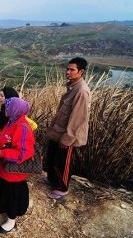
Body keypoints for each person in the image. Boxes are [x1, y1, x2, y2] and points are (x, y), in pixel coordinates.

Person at [0, 97, 35, 234]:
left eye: (8, 107)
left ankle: (11, 221)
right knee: (1, 187)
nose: (5, 109)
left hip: (13, 174)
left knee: (12, 196)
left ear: (14, 110)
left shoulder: (22, 128)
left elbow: (24, 153)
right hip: (5, 169)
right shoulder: (12, 121)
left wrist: (3, 153)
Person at [43, 57, 91, 199]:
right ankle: (52, 180)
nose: (68, 72)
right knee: (52, 158)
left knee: (63, 162)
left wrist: (68, 138)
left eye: (72, 70)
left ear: (81, 72)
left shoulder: (81, 91)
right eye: (67, 69)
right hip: (58, 131)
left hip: (67, 135)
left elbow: (78, 118)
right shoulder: (72, 86)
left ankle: (62, 188)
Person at [0, 87, 37, 152]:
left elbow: (33, 126)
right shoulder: (2, 115)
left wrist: (17, 136)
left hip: (9, 152)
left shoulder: (18, 116)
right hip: (1, 150)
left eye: (2, 96)